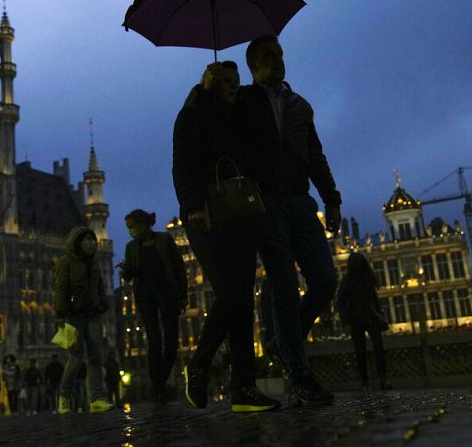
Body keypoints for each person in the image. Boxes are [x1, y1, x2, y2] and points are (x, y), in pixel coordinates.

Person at [235, 34, 341, 406]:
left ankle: (283, 342)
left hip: (300, 200)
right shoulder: (244, 103)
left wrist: (332, 200)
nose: (277, 61)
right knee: (282, 284)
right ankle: (299, 376)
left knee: (325, 280)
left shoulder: (300, 106)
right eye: (268, 56)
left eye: (279, 55)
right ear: (253, 66)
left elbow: (316, 156)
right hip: (265, 203)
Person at [173, 61, 280, 412]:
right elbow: (183, 165)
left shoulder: (241, 116)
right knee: (229, 293)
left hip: (240, 214)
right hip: (205, 215)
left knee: (243, 302)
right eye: (227, 82)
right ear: (211, 83)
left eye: (236, 81)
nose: (234, 87)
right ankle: (199, 363)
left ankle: (243, 389)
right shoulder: (191, 116)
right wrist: (192, 206)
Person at [121, 209, 187, 402]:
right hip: (145, 297)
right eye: (128, 228)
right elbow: (130, 276)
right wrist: (126, 270)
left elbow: (178, 267)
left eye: (132, 227)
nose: (131, 231)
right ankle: (158, 388)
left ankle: (159, 378)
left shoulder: (164, 240)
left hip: (167, 294)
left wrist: (182, 295)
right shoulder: (131, 247)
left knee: (172, 343)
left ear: (143, 224)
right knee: (154, 342)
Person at [53, 226, 114, 414]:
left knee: (96, 357)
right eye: (87, 240)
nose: (91, 243)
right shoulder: (66, 262)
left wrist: (103, 303)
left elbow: (100, 286)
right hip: (74, 315)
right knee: (76, 358)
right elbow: (61, 288)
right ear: (77, 242)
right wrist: (60, 314)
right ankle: (64, 397)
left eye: (93, 240)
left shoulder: (94, 263)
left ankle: (96, 399)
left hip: (93, 314)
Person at [335, 252, 390, 390]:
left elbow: (373, 300)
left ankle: (375, 381)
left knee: (375, 349)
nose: (359, 265)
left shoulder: (358, 279)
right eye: (357, 263)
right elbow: (340, 302)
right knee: (364, 351)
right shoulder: (353, 280)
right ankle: (370, 382)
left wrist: (346, 319)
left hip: (366, 318)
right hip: (358, 320)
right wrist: (346, 319)